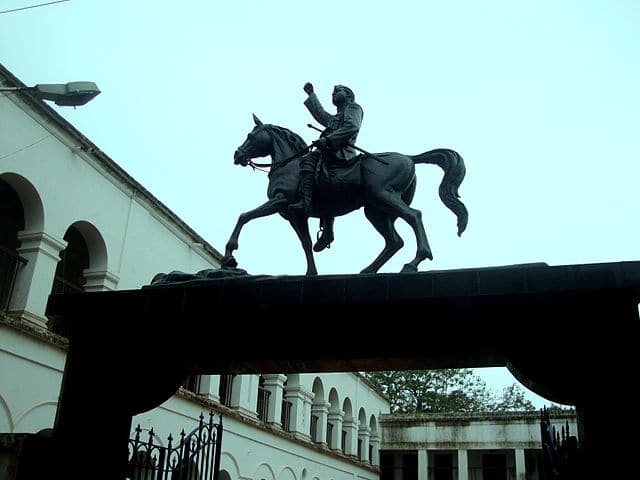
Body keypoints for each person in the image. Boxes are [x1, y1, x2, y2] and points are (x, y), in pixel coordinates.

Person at [289, 82, 364, 252]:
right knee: (323, 181)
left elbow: (351, 127)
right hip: (331, 152)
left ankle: (305, 203)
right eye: (332, 92)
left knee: (308, 159)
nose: (333, 94)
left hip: (341, 152)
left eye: (337, 92)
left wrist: (328, 140)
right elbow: (321, 115)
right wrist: (311, 95)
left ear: (349, 95)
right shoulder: (336, 117)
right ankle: (328, 229)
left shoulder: (353, 108)